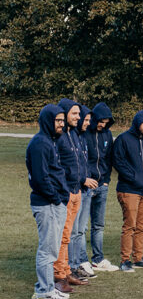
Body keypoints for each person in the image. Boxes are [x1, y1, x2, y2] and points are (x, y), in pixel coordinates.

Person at [26, 104, 73, 299]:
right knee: (47, 250)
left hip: (55, 202)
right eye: (58, 120)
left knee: (52, 249)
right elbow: (40, 178)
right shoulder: (40, 144)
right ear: (48, 121)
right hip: (47, 204)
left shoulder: (51, 141)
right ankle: (44, 294)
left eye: (63, 120)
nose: (62, 124)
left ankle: (46, 289)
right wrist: (56, 198)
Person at [113, 109, 143, 272]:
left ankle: (138, 258)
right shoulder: (123, 139)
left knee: (142, 226)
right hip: (129, 189)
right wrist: (133, 177)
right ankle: (125, 260)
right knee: (130, 225)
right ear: (137, 122)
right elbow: (117, 161)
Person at [55, 100, 93, 288]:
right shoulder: (59, 137)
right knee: (61, 236)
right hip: (65, 193)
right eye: (75, 114)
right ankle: (58, 276)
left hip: (77, 191)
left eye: (79, 114)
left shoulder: (75, 135)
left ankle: (67, 271)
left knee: (67, 236)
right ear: (64, 114)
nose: (79, 117)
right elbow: (58, 167)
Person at [82, 101, 117, 271]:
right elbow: (80, 159)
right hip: (86, 186)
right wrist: (84, 179)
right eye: (100, 121)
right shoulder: (83, 133)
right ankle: (82, 260)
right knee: (82, 226)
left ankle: (98, 259)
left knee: (99, 225)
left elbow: (109, 158)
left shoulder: (107, 135)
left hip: (102, 185)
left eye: (106, 122)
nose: (102, 125)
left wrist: (106, 180)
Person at [67, 105, 98, 279]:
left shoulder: (81, 138)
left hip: (85, 191)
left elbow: (85, 163)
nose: (85, 122)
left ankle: (77, 263)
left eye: (86, 119)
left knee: (80, 230)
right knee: (72, 231)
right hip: (76, 189)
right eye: (84, 119)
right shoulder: (69, 137)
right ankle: (70, 267)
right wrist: (82, 179)